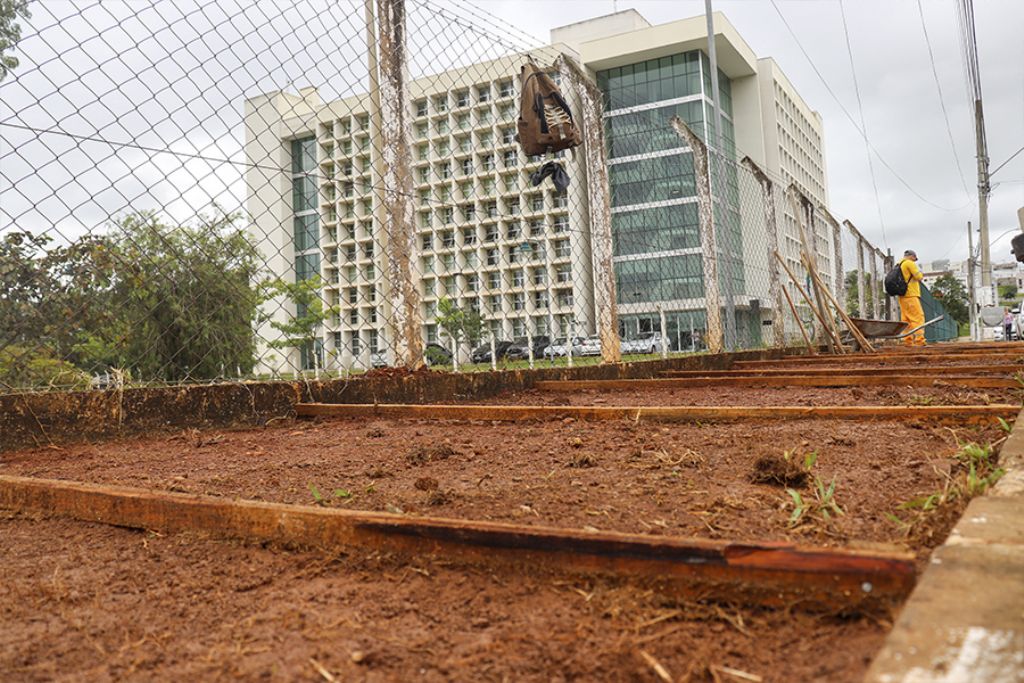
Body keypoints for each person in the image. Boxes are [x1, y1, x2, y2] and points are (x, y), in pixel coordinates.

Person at [898, 250, 926, 347]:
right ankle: (919, 340)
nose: (915, 261)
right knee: (918, 317)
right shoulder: (909, 263)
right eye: (915, 258)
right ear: (912, 256)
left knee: (906, 319)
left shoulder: (899, 264)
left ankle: (907, 341)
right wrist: (921, 273)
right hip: (911, 294)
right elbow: (919, 277)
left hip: (902, 296)